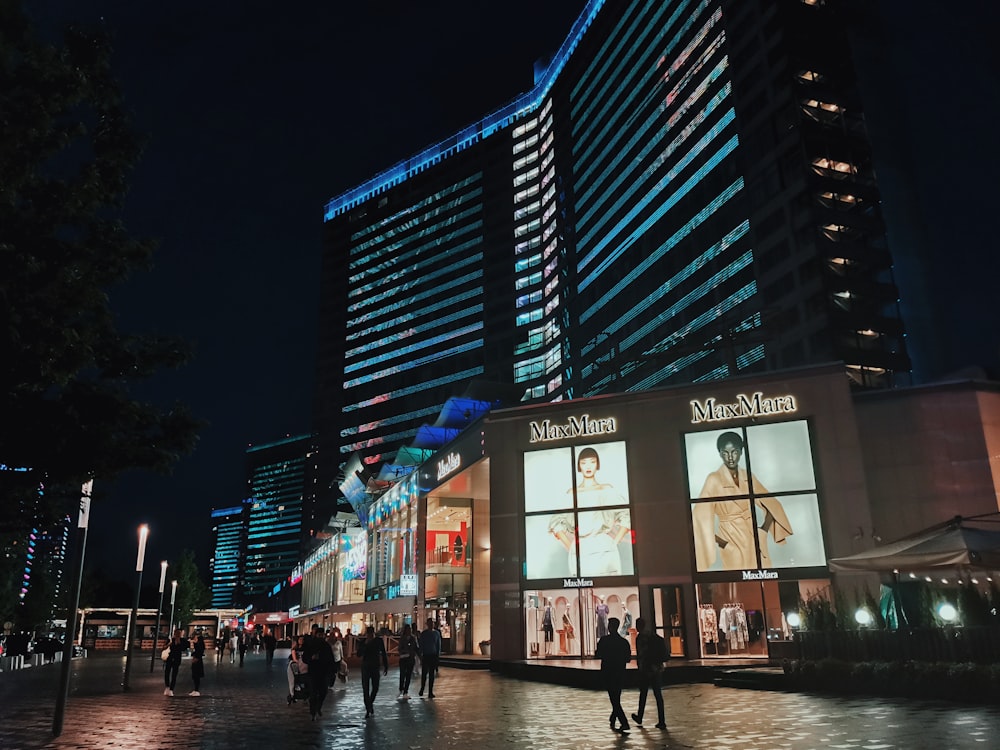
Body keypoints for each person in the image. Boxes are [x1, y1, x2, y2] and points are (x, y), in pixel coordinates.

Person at [692, 431, 793, 570]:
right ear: (720, 453)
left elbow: (772, 504)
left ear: (741, 452)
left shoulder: (748, 476)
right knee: (737, 582)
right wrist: (724, 544)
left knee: (763, 574)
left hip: (753, 536)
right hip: (731, 538)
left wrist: (762, 531)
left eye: (734, 451)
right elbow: (698, 519)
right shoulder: (713, 479)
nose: (730, 457)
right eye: (725, 453)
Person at [596, 616, 631, 733]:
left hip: (608, 672)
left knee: (614, 698)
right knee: (616, 696)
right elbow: (628, 658)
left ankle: (624, 722)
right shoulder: (623, 642)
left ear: (609, 627)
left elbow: (598, 654)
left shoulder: (604, 641)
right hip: (620, 671)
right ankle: (613, 717)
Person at [631, 618, 667, 730]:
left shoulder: (640, 638)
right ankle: (662, 720)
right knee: (658, 695)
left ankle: (640, 716)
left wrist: (640, 667)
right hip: (657, 668)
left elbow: (641, 654)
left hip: (646, 669)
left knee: (643, 693)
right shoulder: (652, 635)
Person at [302, 625, 334, 719]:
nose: (320, 637)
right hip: (313, 672)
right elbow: (305, 658)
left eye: (322, 635)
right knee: (313, 693)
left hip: (324, 673)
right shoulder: (311, 645)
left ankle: (318, 707)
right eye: (319, 635)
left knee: (323, 692)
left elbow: (331, 659)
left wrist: (332, 671)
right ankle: (313, 713)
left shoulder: (326, 646)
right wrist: (311, 658)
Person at [358, 625, 389, 717]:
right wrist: (365, 645)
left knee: (375, 688)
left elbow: (383, 653)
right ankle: (368, 708)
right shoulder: (363, 642)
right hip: (366, 667)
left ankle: (369, 704)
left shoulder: (378, 641)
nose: (370, 635)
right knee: (365, 688)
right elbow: (359, 654)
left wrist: (386, 665)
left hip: (375, 667)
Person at [417, 617, 441, 698]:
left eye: (432, 623)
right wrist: (420, 654)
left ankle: (430, 691)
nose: (431, 625)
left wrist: (438, 655)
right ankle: (422, 688)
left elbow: (438, 645)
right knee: (424, 673)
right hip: (426, 655)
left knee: (431, 674)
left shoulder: (436, 633)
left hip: (433, 655)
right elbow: (421, 645)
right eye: (429, 623)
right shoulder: (424, 634)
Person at [163, 628, 189, 697]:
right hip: (170, 657)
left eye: (179, 633)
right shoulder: (171, 639)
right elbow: (164, 647)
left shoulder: (183, 640)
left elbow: (185, 648)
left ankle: (171, 689)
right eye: (177, 633)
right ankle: (167, 687)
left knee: (174, 674)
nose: (178, 634)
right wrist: (169, 644)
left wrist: (180, 643)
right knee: (167, 672)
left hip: (177, 658)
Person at [396, 623, 418, 700]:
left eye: (410, 630)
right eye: (408, 630)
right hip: (403, 659)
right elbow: (399, 649)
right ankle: (401, 689)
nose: (409, 631)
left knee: (408, 675)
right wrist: (405, 651)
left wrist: (417, 655)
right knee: (402, 675)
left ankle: (405, 691)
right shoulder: (402, 638)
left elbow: (416, 647)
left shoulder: (413, 638)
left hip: (410, 659)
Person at [286, 635, 307, 705]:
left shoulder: (306, 649)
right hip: (295, 667)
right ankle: (292, 694)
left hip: (304, 667)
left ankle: (303, 694)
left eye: (303, 640)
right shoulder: (295, 649)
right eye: (300, 639)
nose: (301, 641)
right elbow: (295, 659)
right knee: (293, 681)